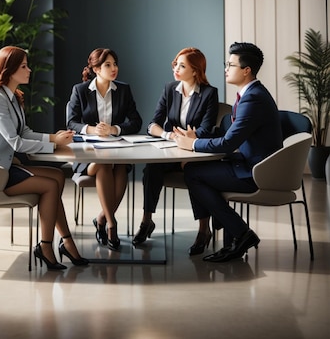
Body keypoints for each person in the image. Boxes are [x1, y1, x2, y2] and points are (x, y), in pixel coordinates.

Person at [0, 46, 88, 271]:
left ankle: (66, 242)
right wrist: (55, 143)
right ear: (9, 70)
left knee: (57, 176)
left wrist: (54, 136)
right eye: (24, 66)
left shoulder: (13, 97)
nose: (29, 69)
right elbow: (15, 142)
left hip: (4, 166)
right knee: (49, 186)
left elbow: (24, 132)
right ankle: (46, 246)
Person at [174, 41, 283, 262]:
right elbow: (230, 133)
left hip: (256, 171)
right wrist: (197, 136)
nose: (225, 69)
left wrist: (191, 145)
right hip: (247, 162)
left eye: (230, 65)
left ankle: (241, 233)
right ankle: (228, 232)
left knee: (193, 174)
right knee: (194, 168)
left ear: (246, 70)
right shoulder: (251, 93)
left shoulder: (253, 98)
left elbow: (227, 143)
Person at [133, 47, 219, 254]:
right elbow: (152, 125)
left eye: (182, 65)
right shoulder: (170, 89)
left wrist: (191, 137)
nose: (176, 69)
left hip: (195, 153)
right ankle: (147, 221)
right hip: (172, 149)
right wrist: (169, 135)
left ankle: (203, 230)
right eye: (175, 64)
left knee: (193, 173)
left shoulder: (209, 94)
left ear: (196, 71)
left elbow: (206, 130)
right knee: (151, 169)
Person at [66, 48, 142, 250]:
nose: (114, 68)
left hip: (115, 150)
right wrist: (91, 129)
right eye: (108, 65)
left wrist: (114, 129)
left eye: (115, 64)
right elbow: (70, 123)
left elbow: (136, 121)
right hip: (88, 155)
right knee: (104, 164)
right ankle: (111, 224)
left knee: (120, 166)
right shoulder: (80, 90)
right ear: (96, 69)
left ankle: (102, 218)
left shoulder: (123, 90)